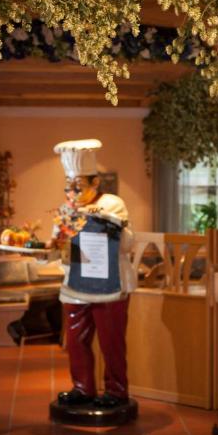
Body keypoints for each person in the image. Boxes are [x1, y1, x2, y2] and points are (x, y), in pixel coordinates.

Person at [49, 139, 136, 409]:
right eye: (69, 187)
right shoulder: (66, 211)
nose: (73, 193)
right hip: (75, 285)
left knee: (111, 342)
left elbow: (125, 242)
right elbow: (59, 246)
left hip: (109, 285)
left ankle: (116, 391)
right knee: (76, 340)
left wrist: (92, 220)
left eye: (79, 186)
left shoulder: (112, 204)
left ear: (95, 182)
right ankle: (82, 387)